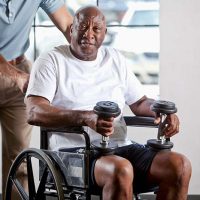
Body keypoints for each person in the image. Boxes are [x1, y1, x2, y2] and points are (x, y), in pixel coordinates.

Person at [25, 6, 192, 200]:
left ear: (105, 33)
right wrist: (86, 117)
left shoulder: (114, 59)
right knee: (121, 169)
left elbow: (140, 102)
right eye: (83, 27)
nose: (89, 34)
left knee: (179, 166)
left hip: (119, 148)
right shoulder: (51, 60)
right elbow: (33, 112)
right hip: (71, 154)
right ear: (71, 30)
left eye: (96, 29)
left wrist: (161, 111)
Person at [0, 0, 73, 198]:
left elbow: (68, 25)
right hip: (17, 76)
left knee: (19, 160)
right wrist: (17, 77)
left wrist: (91, 54)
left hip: (19, 69)